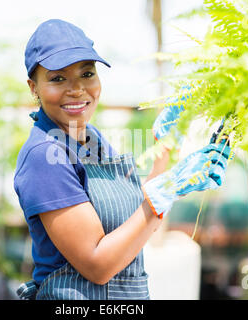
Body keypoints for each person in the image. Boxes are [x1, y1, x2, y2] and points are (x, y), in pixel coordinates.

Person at [14, 19, 230, 300]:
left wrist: (164, 152)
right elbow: (98, 265)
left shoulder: (91, 138)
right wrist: (168, 189)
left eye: (87, 73)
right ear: (34, 87)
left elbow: (137, 227)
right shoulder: (44, 155)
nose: (77, 89)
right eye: (58, 78)